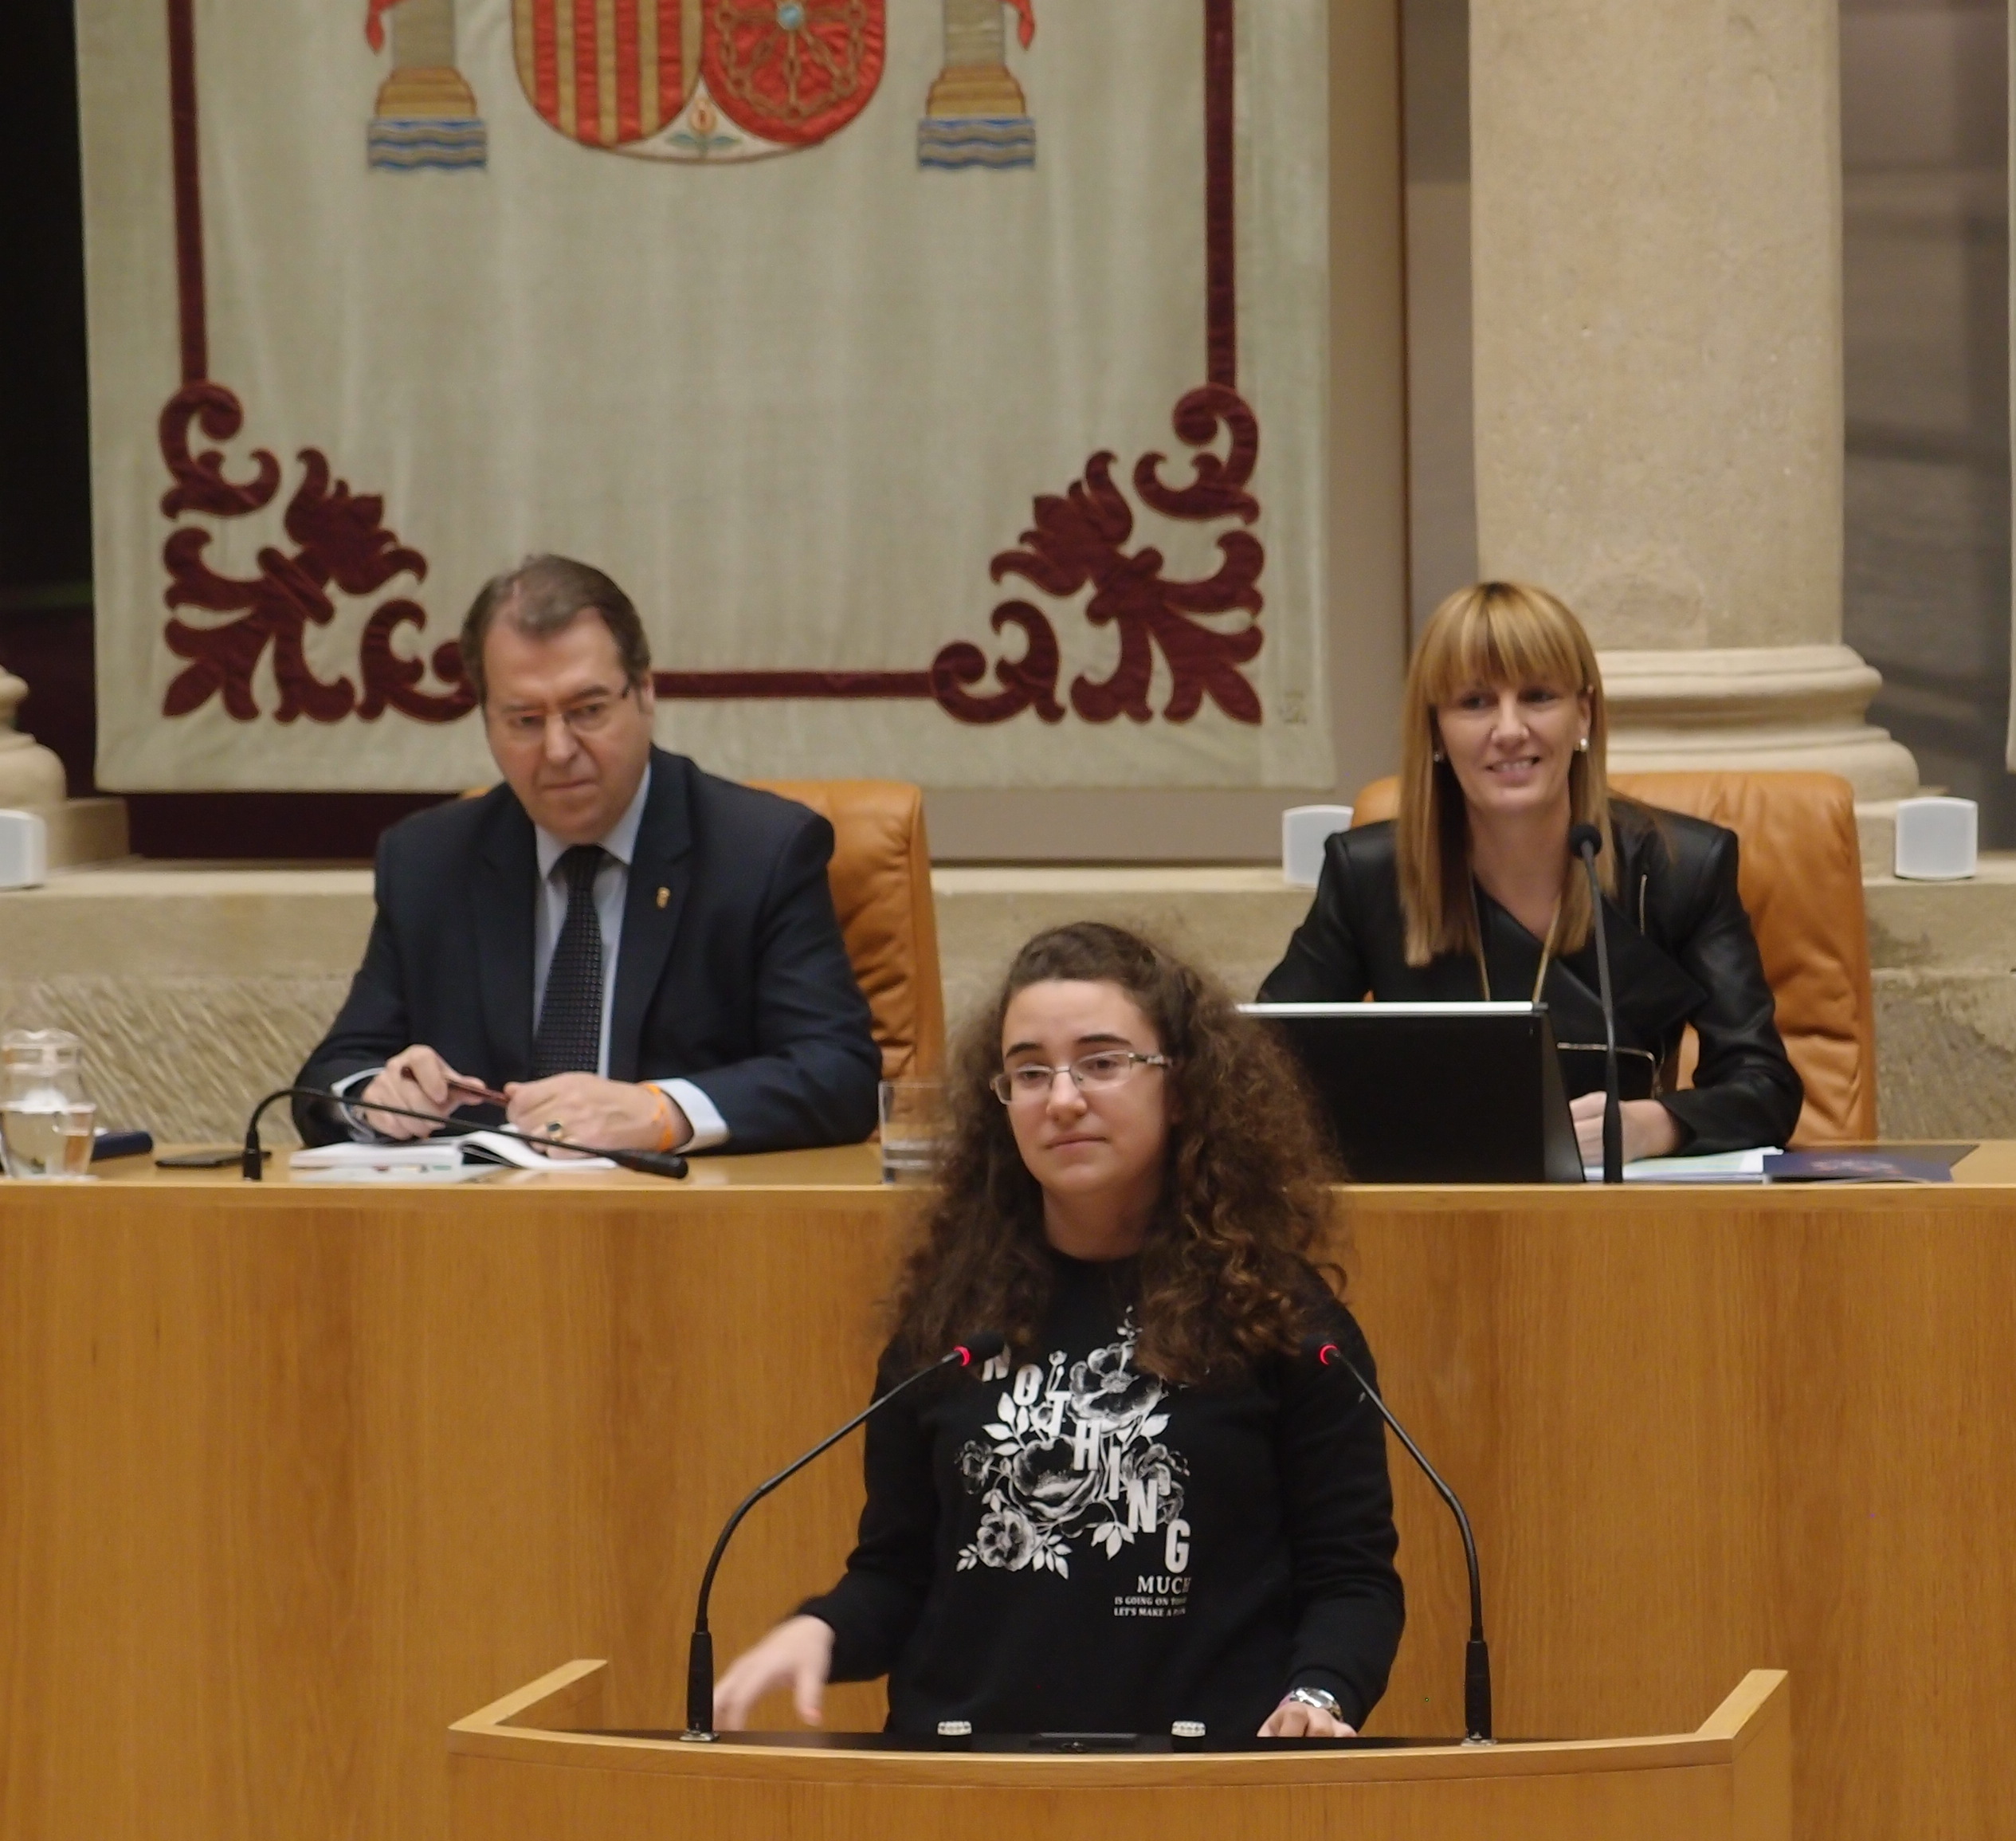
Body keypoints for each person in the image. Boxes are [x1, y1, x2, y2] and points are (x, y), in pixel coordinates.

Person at [714, 921, 1404, 1741]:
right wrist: (821, 1630)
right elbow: (898, 1574)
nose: (1064, 1097)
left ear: (1181, 1087)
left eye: (1104, 1062)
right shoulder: (952, 1321)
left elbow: (1351, 1579)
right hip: (965, 1782)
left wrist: (1321, 1694)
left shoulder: (1284, 1323)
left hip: (1207, 1787)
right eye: (1030, 1072)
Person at [292, 555, 881, 1153]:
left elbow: (839, 1073)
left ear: (645, 693)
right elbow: (331, 1074)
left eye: (588, 711)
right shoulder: (428, 862)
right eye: (524, 720)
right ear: (486, 721)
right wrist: (381, 1098)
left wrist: (662, 1112)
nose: (558, 749)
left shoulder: (759, 851)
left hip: (686, 1225)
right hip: (481, 1230)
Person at [1259, 580, 1802, 1159]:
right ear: (1436, 731)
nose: (1510, 729)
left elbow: (1765, 1088)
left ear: (1583, 715)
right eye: (1475, 702)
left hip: (1616, 1219)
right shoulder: (1369, 874)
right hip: (1431, 1212)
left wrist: (1655, 1125)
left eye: (1539, 696)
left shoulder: (1677, 870)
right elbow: (1260, 1067)